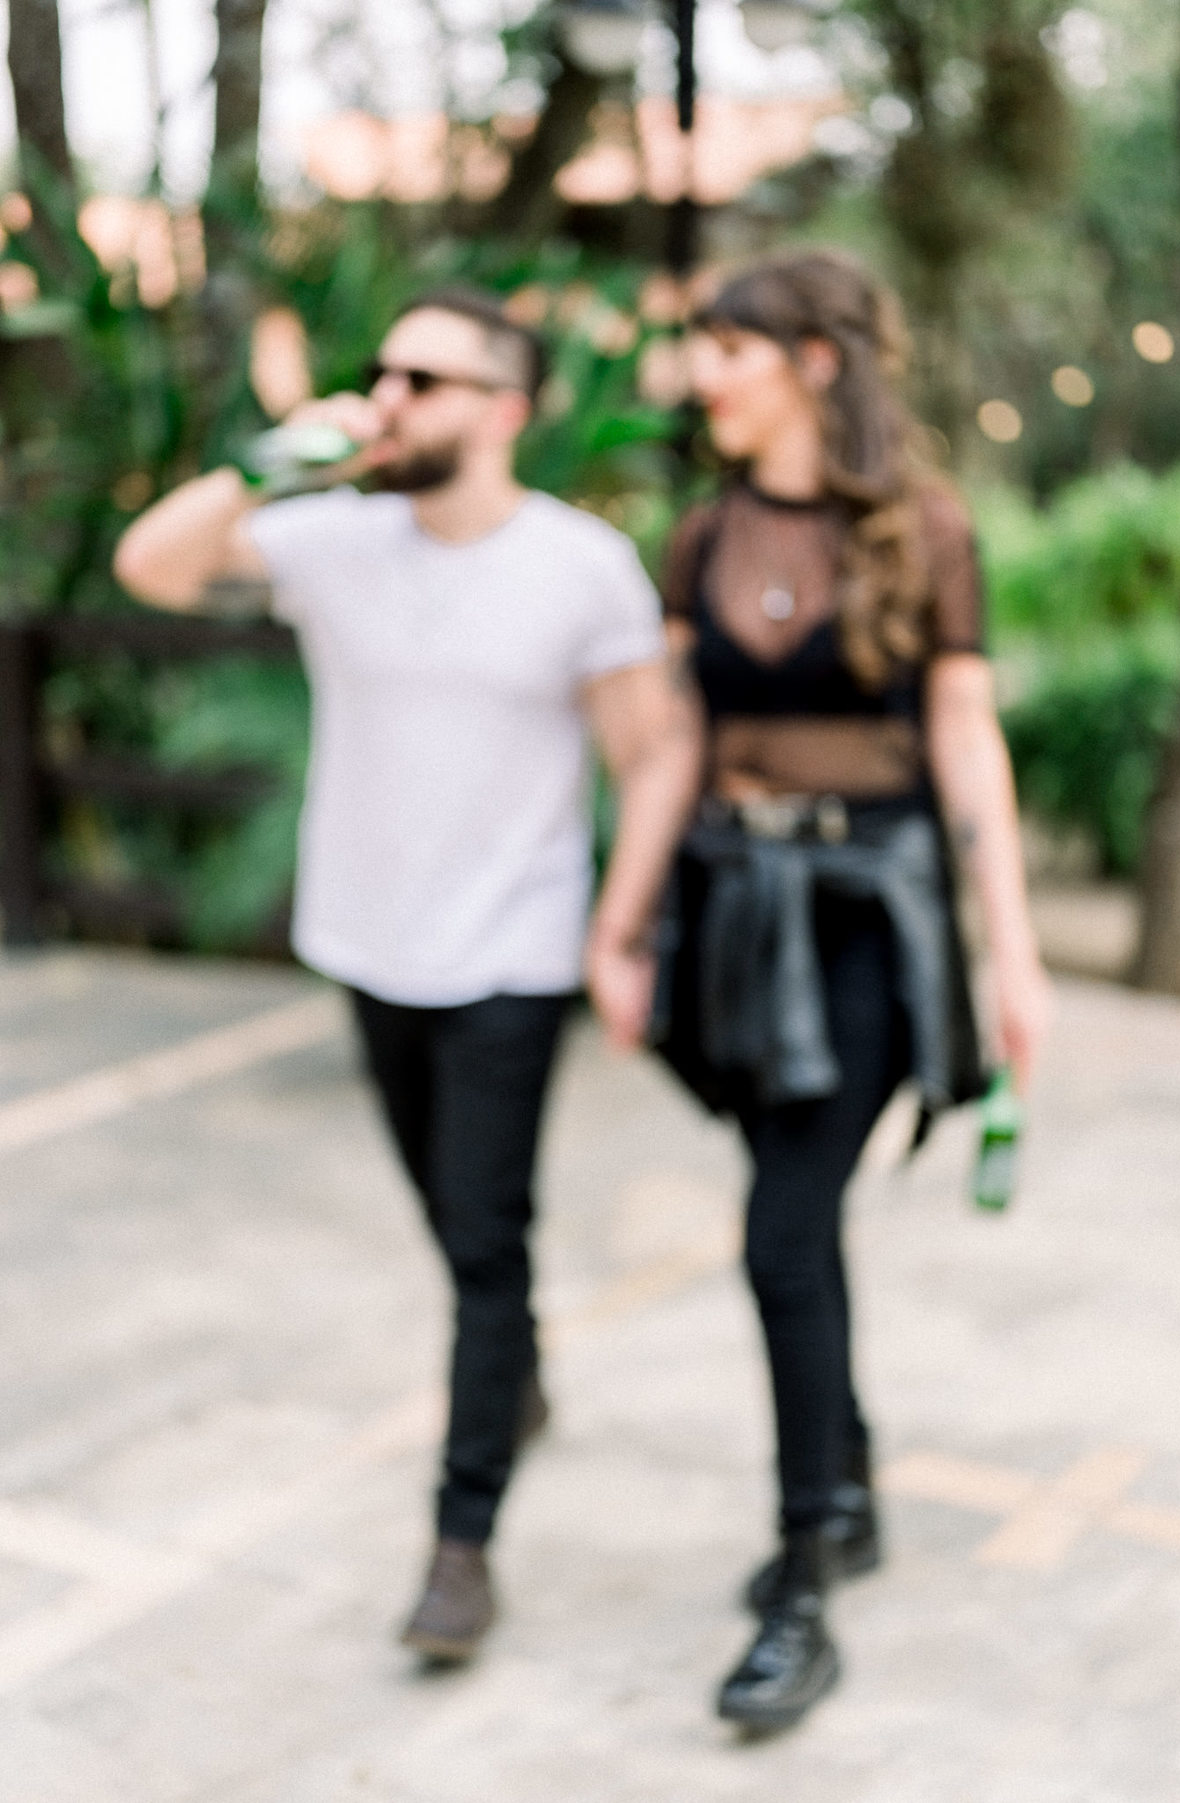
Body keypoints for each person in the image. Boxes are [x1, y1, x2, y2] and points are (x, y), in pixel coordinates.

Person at [113, 285, 701, 1663]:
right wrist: (279, 455)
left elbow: (652, 752)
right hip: (368, 941)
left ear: (504, 411)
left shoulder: (579, 567)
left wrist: (617, 930)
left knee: (484, 1242)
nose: (389, 396)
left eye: (425, 381)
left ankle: (462, 1544)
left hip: (512, 953)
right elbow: (151, 566)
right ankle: (522, 1373)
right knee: (450, 1212)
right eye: (383, 372)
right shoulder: (331, 539)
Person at [652, 250, 1052, 1733]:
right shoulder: (701, 536)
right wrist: (622, 931)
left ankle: (805, 1579)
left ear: (814, 361)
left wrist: (1014, 953)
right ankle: (854, 1480)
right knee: (795, 1217)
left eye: (728, 348)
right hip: (731, 918)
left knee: (780, 1231)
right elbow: (675, 746)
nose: (702, 375)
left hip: (872, 920)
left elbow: (965, 741)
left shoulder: (925, 529)